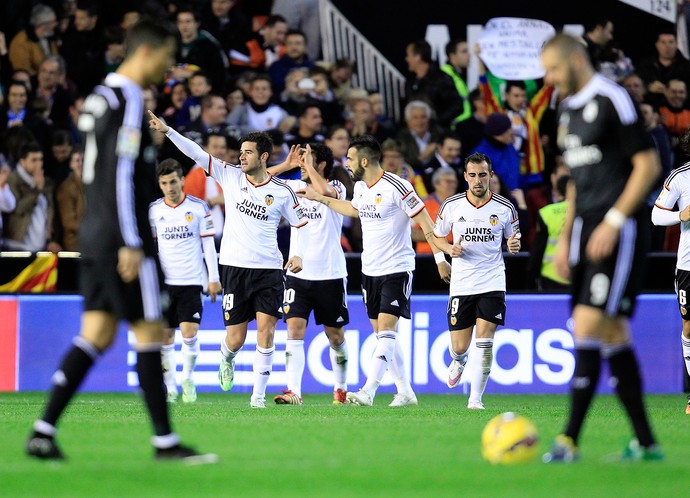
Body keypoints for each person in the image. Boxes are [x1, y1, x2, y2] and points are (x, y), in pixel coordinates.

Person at [25, 19, 217, 463]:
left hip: (94, 231)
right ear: (147, 52)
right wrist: (130, 241)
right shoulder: (129, 97)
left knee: (96, 332)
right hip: (120, 235)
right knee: (151, 330)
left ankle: (43, 430)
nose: (168, 68)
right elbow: (117, 176)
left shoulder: (97, 97)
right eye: (167, 58)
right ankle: (165, 442)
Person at [540, 33, 662, 462]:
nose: (550, 80)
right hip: (586, 231)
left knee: (587, 326)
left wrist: (613, 221)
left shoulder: (612, 98)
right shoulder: (567, 110)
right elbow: (576, 182)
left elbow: (648, 165)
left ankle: (568, 441)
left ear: (576, 59)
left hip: (619, 228)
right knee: (613, 334)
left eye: (554, 69)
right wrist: (566, 238)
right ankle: (646, 444)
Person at [148, 114, 310, 409]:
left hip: (269, 270)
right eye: (241, 151)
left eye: (247, 152)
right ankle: (228, 358)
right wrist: (169, 130)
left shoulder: (283, 191)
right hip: (235, 268)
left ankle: (257, 398)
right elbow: (197, 153)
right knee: (235, 339)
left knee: (267, 331)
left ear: (263, 156)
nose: (241, 156)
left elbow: (299, 225)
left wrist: (296, 253)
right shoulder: (230, 175)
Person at [298, 135, 452, 407]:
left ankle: (368, 391)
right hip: (370, 270)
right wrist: (319, 198)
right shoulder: (360, 187)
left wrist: (440, 257)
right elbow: (353, 210)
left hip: (397, 268)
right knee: (384, 336)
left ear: (364, 160)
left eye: (350, 158)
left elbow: (424, 221)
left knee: (387, 332)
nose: (346, 163)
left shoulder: (398, 186)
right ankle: (405, 392)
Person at [433, 153, 521, 409]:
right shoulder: (452, 205)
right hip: (461, 284)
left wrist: (514, 245)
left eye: (483, 174)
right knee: (459, 347)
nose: (478, 180)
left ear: (490, 175)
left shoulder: (505, 207)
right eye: (472, 175)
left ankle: (475, 399)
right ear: (465, 177)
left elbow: (513, 240)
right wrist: (448, 251)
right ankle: (459, 361)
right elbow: (436, 237)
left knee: (485, 340)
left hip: (492, 281)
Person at [266, 143, 350, 405]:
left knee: (335, 336)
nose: (302, 165)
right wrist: (287, 165)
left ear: (320, 164)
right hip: (297, 273)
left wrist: (309, 168)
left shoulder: (338, 186)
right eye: (302, 161)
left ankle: (341, 388)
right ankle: (294, 391)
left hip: (330, 273)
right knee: (294, 328)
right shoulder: (292, 187)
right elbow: (261, 178)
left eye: (307, 159)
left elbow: (325, 192)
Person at [149, 158, 220, 403]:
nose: (169, 187)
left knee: (189, 334)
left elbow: (208, 245)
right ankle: (170, 388)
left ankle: (188, 378)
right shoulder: (154, 211)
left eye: (173, 181)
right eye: (164, 183)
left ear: (182, 180)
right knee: (165, 337)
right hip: (165, 283)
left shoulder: (199, 208)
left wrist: (214, 278)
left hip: (191, 280)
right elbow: (149, 248)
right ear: (160, 184)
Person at [651, 129, 690, 415]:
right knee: (689, 326)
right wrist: (680, 215)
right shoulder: (680, 177)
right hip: (689, 266)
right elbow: (656, 215)